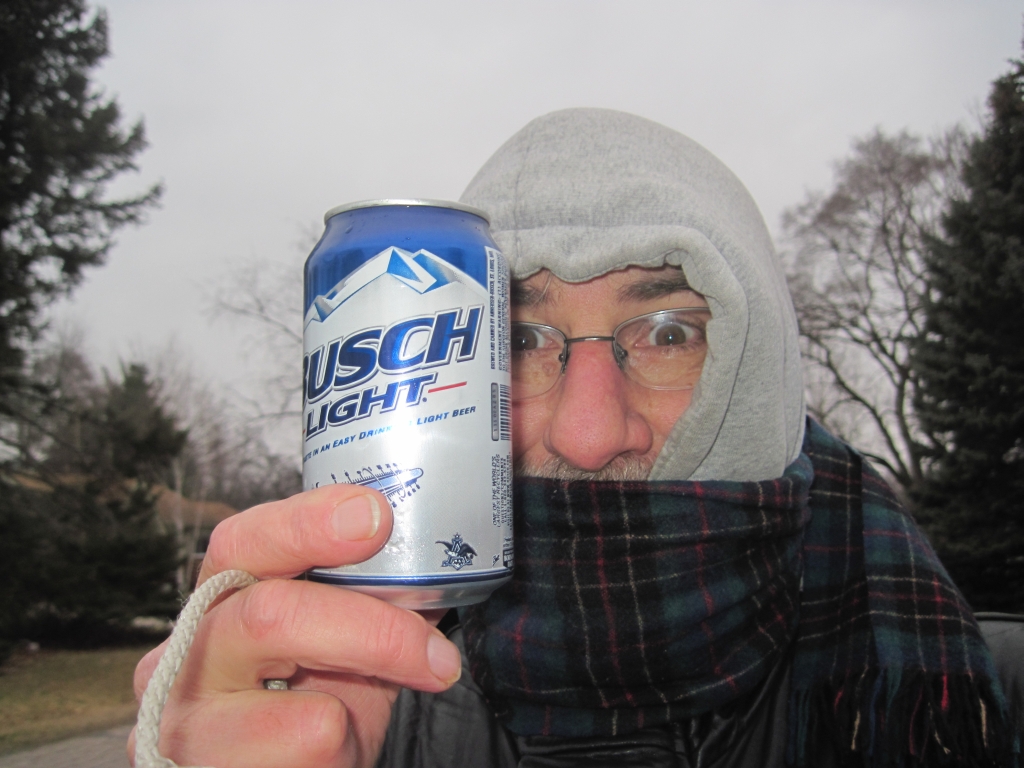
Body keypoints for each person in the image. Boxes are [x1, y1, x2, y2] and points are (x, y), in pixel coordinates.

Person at [130, 109, 1020, 768]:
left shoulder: (984, 699)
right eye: (518, 340)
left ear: (763, 376)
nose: (590, 436)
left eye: (669, 332)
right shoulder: (353, 709)